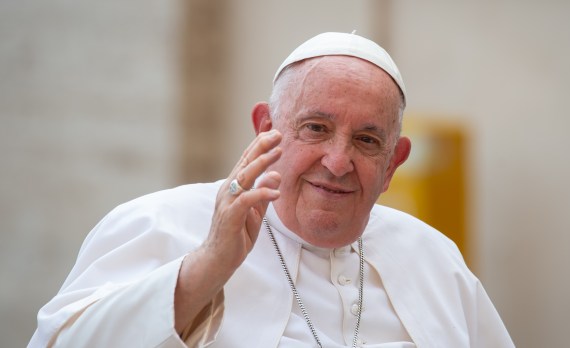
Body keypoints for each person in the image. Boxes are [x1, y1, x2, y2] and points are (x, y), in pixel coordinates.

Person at [29, 32, 514, 348]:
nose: (338, 162)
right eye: (316, 128)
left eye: (367, 141)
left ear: (393, 164)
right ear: (266, 128)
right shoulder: (157, 222)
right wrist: (203, 270)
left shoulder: (434, 259)